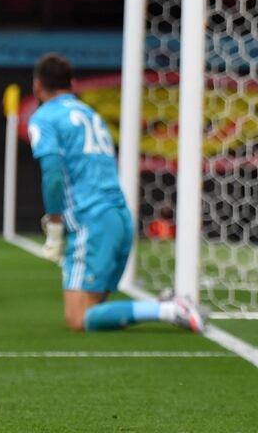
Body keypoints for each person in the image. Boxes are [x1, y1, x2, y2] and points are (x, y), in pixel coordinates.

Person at [28, 53, 203, 333]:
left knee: (78, 318)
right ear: (72, 84)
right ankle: (167, 306)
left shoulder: (45, 118)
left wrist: (55, 222)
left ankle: (169, 308)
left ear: (37, 86)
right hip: (119, 217)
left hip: (91, 220)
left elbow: (52, 175)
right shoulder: (90, 114)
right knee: (94, 309)